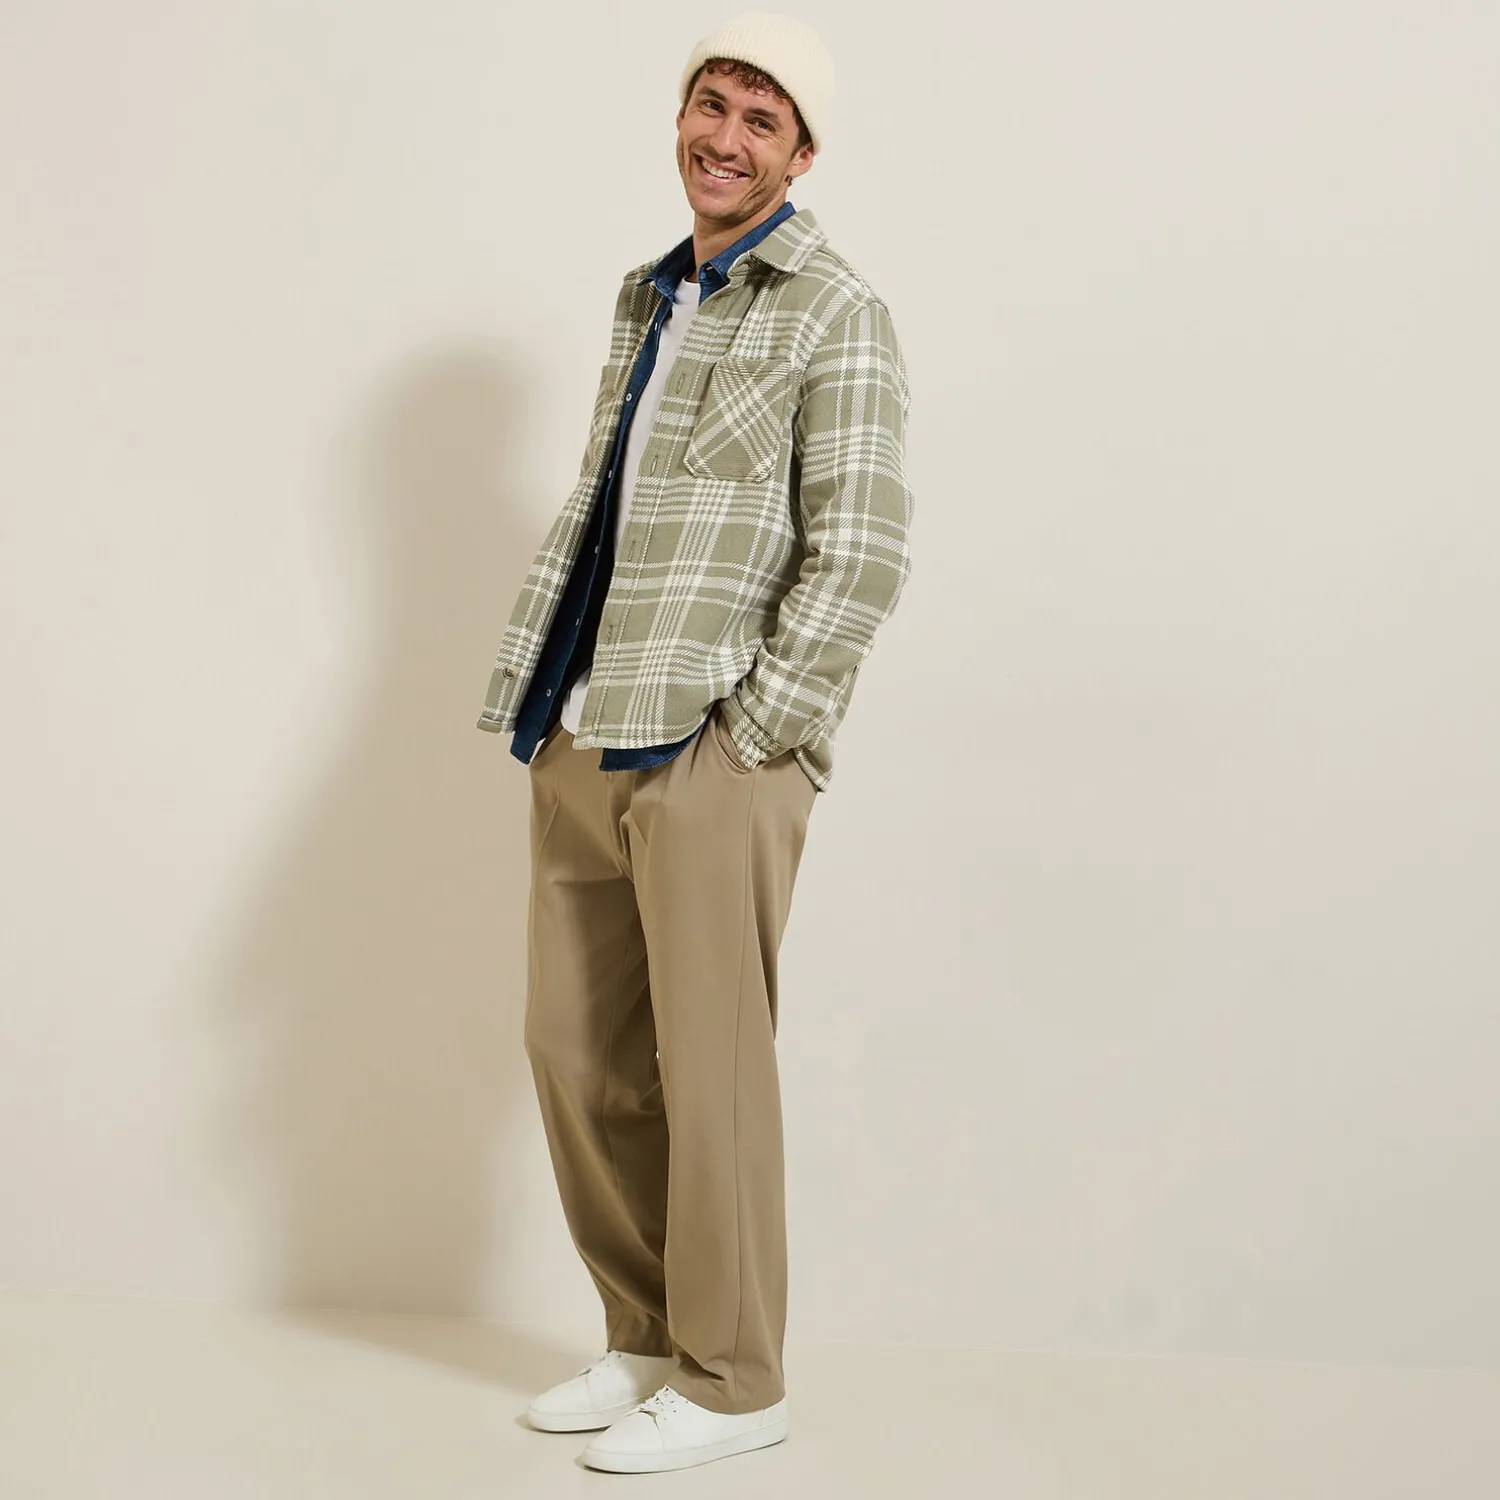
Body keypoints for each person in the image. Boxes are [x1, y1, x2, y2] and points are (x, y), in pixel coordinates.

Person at [475, 10, 913, 1474]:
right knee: (575, 1049)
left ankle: (736, 1383)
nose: (724, 137)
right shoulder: (649, 295)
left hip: (717, 745)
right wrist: (554, 707)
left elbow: (861, 547)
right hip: (586, 718)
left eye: (760, 119)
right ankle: (650, 1335)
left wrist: (756, 734)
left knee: (711, 1070)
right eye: (709, 104)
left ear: (802, 153)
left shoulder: (835, 309)